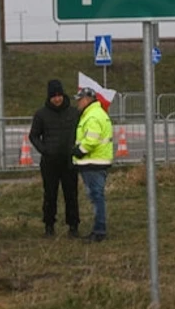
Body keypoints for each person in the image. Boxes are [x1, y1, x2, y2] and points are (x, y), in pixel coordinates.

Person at [29, 79, 80, 238]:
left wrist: (77, 150)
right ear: (49, 97)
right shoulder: (41, 114)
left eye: (59, 95)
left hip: (69, 162)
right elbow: (33, 136)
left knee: (71, 195)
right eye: (54, 96)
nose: (57, 99)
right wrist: (45, 150)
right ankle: (49, 225)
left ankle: (73, 226)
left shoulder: (74, 113)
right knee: (50, 195)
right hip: (49, 163)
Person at [71, 87, 113, 243]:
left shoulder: (92, 116)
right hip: (97, 161)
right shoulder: (96, 113)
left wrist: (79, 151)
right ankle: (98, 229)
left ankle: (99, 230)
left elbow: (91, 139)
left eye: (80, 99)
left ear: (87, 100)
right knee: (97, 196)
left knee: (96, 197)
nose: (78, 103)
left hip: (93, 162)